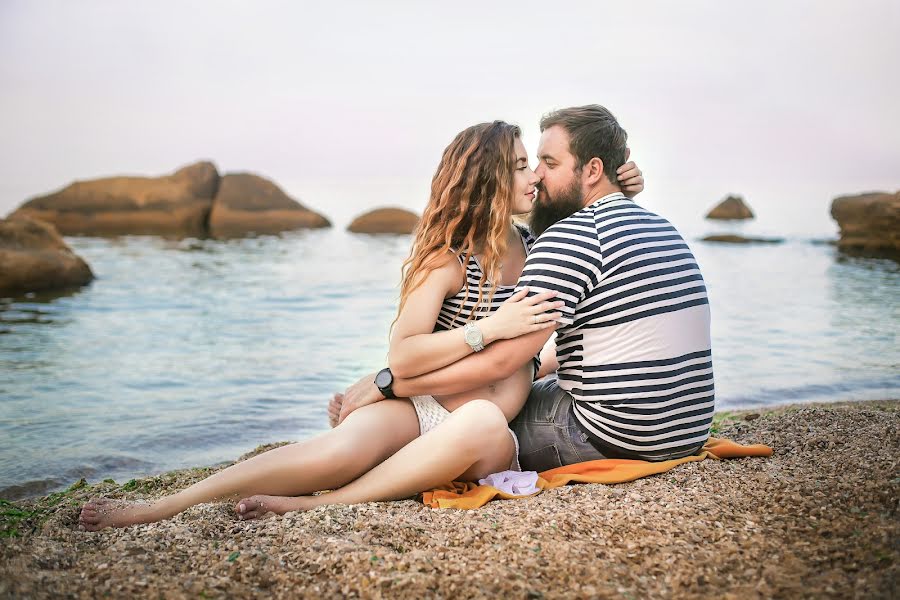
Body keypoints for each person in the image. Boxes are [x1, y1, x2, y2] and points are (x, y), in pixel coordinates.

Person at [78, 120, 645, 529]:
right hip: (420, 408)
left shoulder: (540, 244)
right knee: (330, 455)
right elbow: (403, 356)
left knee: (480, 423)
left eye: (534, 165)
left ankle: (318, 508)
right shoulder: (448, 259)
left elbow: (596, 213)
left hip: (482, 431)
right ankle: (158, 508)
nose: (533, 178)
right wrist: (489, 329)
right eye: (521, 166)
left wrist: (628, 182)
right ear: (488, 180)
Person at [335, 104, 714, 477]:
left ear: (593, 169)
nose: (536, 177)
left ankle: (367, 469)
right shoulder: (658, 227)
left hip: (610, 437)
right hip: (687, 431)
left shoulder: (570, 239)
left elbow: (501, 368)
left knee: (475, 413)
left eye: (548, 164)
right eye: (528, 165)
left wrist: (388, 385)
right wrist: (620, 188)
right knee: (521, 377)